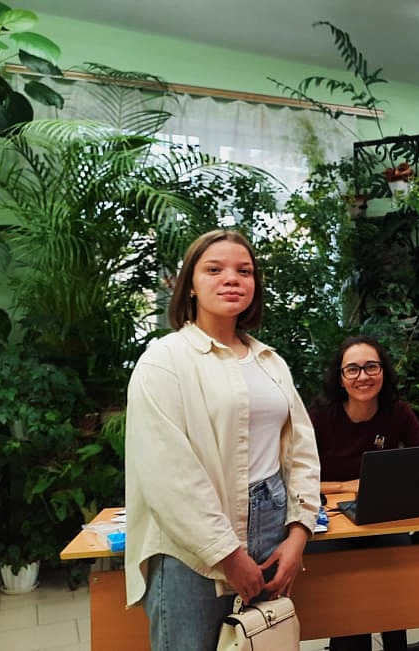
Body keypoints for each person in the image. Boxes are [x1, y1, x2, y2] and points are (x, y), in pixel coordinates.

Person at [125, 229, 321, 651]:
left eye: (244, 271)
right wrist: (227, 555)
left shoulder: (270, 361)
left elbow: (302, 451)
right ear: (190, 286)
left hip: (272, 528)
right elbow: (168, 474)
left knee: (261, 642)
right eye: (214, 270)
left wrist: (298, 535)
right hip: (193, 542)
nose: (231, 279)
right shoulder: (164, 361)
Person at [307, 334, 419, 651]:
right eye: (353, 369)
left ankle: (396, 645)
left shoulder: (398, 412)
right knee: (349, 585)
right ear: (340, 378)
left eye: (371, 367)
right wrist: (346, 486)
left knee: (394, 567)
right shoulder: (319, 417)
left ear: (383, 372)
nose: (363, 376)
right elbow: (295, 478)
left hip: (380, 518)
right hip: (332, 524)